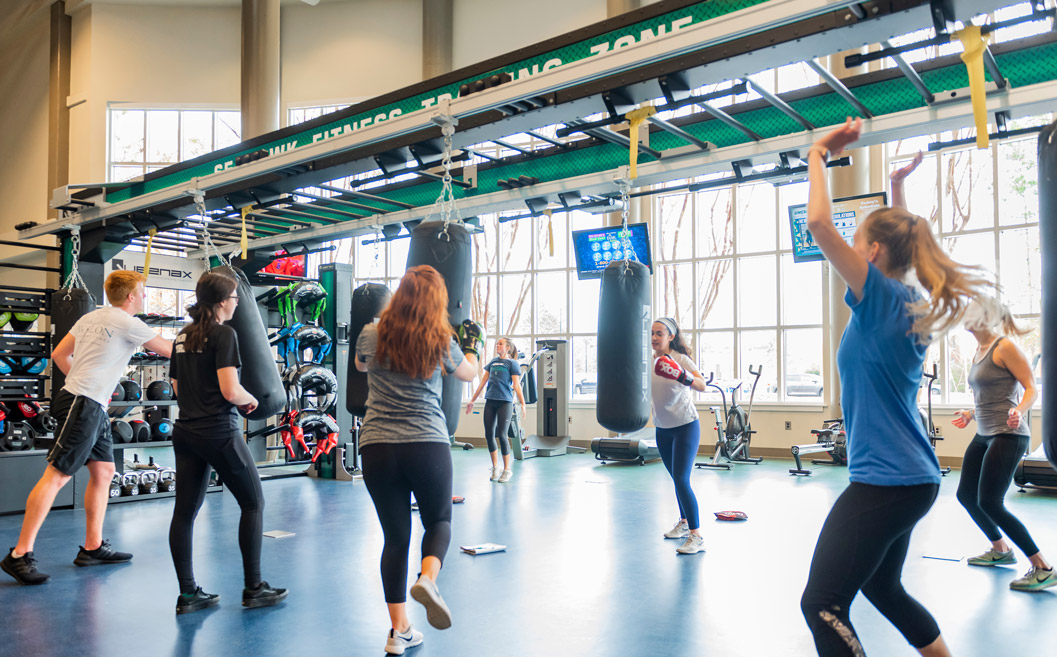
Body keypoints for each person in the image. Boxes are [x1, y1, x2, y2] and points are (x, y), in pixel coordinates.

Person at [799, 118, 990, 657]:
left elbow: (817, 221)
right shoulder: (905, 299)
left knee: (822, 604)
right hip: (909, 478)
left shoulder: (883, 298)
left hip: (887, 482)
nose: (848, 248)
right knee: (882, 585)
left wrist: (817, 152)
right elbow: (902, 244)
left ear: (875, 255)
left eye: (856, 240)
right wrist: (900, 187)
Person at [2, 271, 172, 585]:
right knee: (56, 476)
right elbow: (172, 351)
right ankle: (19, 555)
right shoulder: (128, 322)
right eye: (143, 293)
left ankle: (92, 547)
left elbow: (58, 354)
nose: (145, 298)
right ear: (131, 296)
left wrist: (86, 383)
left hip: (89, 401)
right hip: (83, 402)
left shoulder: (91, 318)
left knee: (104, 471)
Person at [355, 265, 481, 655]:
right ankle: (428, 577)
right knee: (439, 521)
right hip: (425, 441)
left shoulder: (372, 332)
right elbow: (469, 374)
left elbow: (361, 365)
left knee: (395, 538)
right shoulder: (440, 338)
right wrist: (472, 343)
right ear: (437, 302)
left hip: (376, 445)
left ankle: (399, 631)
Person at [167, 271, 287, 614]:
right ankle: (254, 588)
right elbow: (230, 390)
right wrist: (250, 400)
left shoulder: (182, 335)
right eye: (234, 297)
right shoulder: (224, 334)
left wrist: (199, 400)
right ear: (222, 302)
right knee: (253, 503)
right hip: (219, 432)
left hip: (186, 431)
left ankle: (188, 595)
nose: (237, 303)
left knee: (185, 513)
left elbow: (176, 386)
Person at [952, 297, 1052, 591]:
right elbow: (990, 394)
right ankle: (1001, 549)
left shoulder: (1004, 346)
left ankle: (1043, 567)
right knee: (966, 496)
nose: (962, 314)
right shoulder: (979, 350)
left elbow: (1032, 387)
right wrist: (971, 414)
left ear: (984, 316)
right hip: (984, 431)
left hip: (1009, 434)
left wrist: (1018, 411)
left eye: (969, 309)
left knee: (990, 502)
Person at [651, 317, 708, 555]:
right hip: (662, 428)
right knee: (676, 478)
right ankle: (684, 523)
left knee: (682, 479)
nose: (654, 338)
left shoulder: (681, 359)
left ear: (671, 336)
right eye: (652, 333)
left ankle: (697, 536)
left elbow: (702, 385)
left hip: (685, 425)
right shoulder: (648, 360)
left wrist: (681, 375)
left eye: (660, 333)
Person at [465, 337, 526, 483]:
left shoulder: (512, 363)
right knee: (488, 434)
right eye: (497, 343)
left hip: (505, 402)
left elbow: (516, 386)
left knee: (502, 435)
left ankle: (507, 470)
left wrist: (523, 404)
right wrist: (472, 400)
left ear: (508, 348)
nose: (497, 345)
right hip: (490, 401)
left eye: (500, 344)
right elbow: (483, 382)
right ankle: (495, 467)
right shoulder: (492, 362)